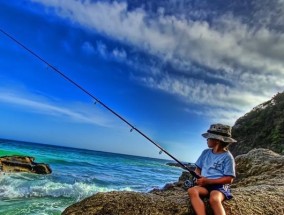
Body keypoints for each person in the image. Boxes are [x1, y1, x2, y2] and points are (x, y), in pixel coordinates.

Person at [188, 123, 237, 215]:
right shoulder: (205, 153)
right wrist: (197, 176)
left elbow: (229, 179)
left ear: (217, 141)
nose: (207, 140)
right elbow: (198, 168)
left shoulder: (227, 157)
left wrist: (208, 181)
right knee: (192, 191)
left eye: (209, 138)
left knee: (214, 199)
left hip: (219, 187)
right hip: (205, 186)